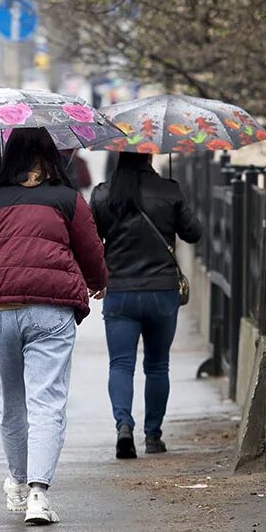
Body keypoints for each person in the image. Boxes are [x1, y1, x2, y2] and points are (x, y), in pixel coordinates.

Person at [0, 128, 108, 525]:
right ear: (52, 157)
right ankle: (39, 495)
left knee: (12, 402)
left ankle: (17, 480)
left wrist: (1, 255)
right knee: (47, 402)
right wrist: (97, 281)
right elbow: (89, 248)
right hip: (51, 309)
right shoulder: (66, 199)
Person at [90, 153, 202, 459]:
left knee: (120, 365)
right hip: (161, 292)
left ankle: (123, 426)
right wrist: (175, 197)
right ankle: (153, 436)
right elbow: (194, 233)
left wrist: (95, 278)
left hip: (120, 292)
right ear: (150, 154)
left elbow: (90, 242)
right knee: (157, 365)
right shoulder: (168, 190)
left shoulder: (103, 194)